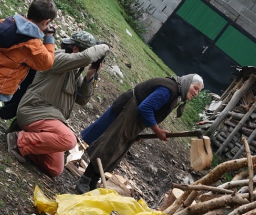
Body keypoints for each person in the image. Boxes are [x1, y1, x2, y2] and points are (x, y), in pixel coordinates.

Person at [75, 74, 204, 194]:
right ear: (188, 83)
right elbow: (145, 107)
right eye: (195, 88)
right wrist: (157, 131)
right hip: (126, 110)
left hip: (133, 117)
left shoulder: (176, 93)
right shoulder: (168, 90)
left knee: (117, 151)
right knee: (109, 145)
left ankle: (92, 182)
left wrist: (136, 132)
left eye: (198, 91)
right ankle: (85, 180)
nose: (196, 93)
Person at [6, 31, 110, 177]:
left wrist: (90, 76)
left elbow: (82, 100)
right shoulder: (57, 58)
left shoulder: (74, 71)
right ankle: (18, 140)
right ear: (75, 49)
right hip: (34, 111)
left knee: (54, 169)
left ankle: (28, 139)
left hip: (50, 118)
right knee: (69, 139)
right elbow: (86, 57)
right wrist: (104, 47)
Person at [0, 0, 57, 121]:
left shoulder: (8, 22)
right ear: (46, 22)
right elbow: (47, 63)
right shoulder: (32, 45)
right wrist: (49, 37)